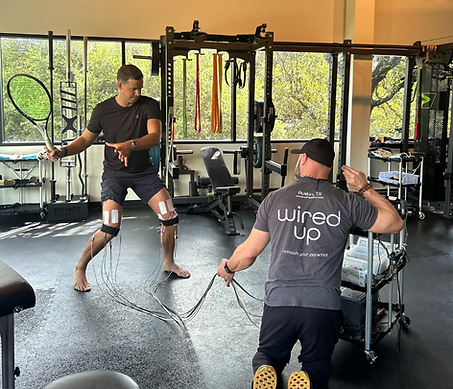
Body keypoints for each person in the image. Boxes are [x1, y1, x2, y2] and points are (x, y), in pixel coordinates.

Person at [217, 138, 403, 389]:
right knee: (317, 365)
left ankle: (266, 367)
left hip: (280, 303)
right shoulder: (346, 201)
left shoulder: (275, 199)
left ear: (303, 159)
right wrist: (364, 188)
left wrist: (229, 267)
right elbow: (395, 222)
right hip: (322, 306)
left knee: (267, 355)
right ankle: (308, 378)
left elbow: (249, 253)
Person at [46, 64, 190, 292]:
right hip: (115, 174)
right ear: (120, 85)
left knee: (169, 217)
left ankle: (169, 261)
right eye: (133, 89)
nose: (137, 94)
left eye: (140, 89)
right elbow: (84, 140)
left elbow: (154, 136)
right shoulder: (103, 110)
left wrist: (131, 144)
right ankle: (80, 268)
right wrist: (62, 151)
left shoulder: (150, 105)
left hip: (144, 172)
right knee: (110, 227)